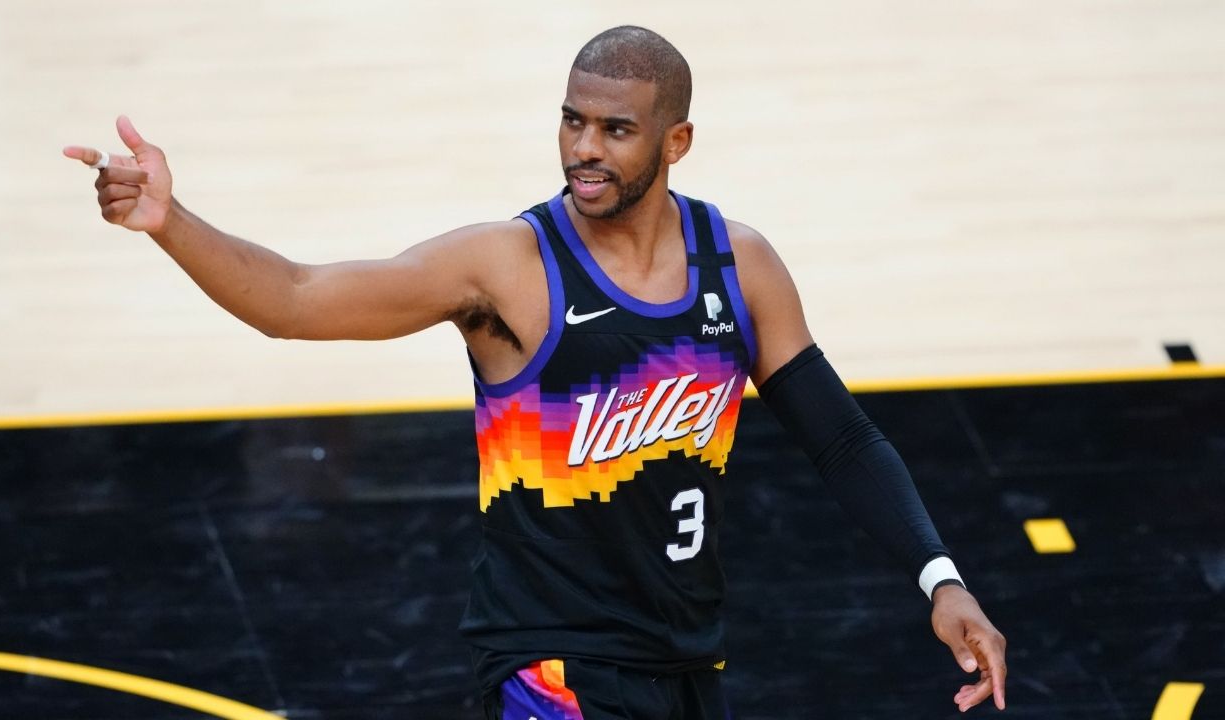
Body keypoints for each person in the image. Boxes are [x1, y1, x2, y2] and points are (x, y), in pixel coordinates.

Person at [65, 25, 1007, 720]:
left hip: (685, 661)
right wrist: (172, 224)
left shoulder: (738, 264)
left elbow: (841, 437)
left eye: (616, 130)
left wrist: (941, 578)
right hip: (547, 671)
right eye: (572, 122)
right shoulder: (509, 267)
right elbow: (301, 299)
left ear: (675, 142)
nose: (584, 149)